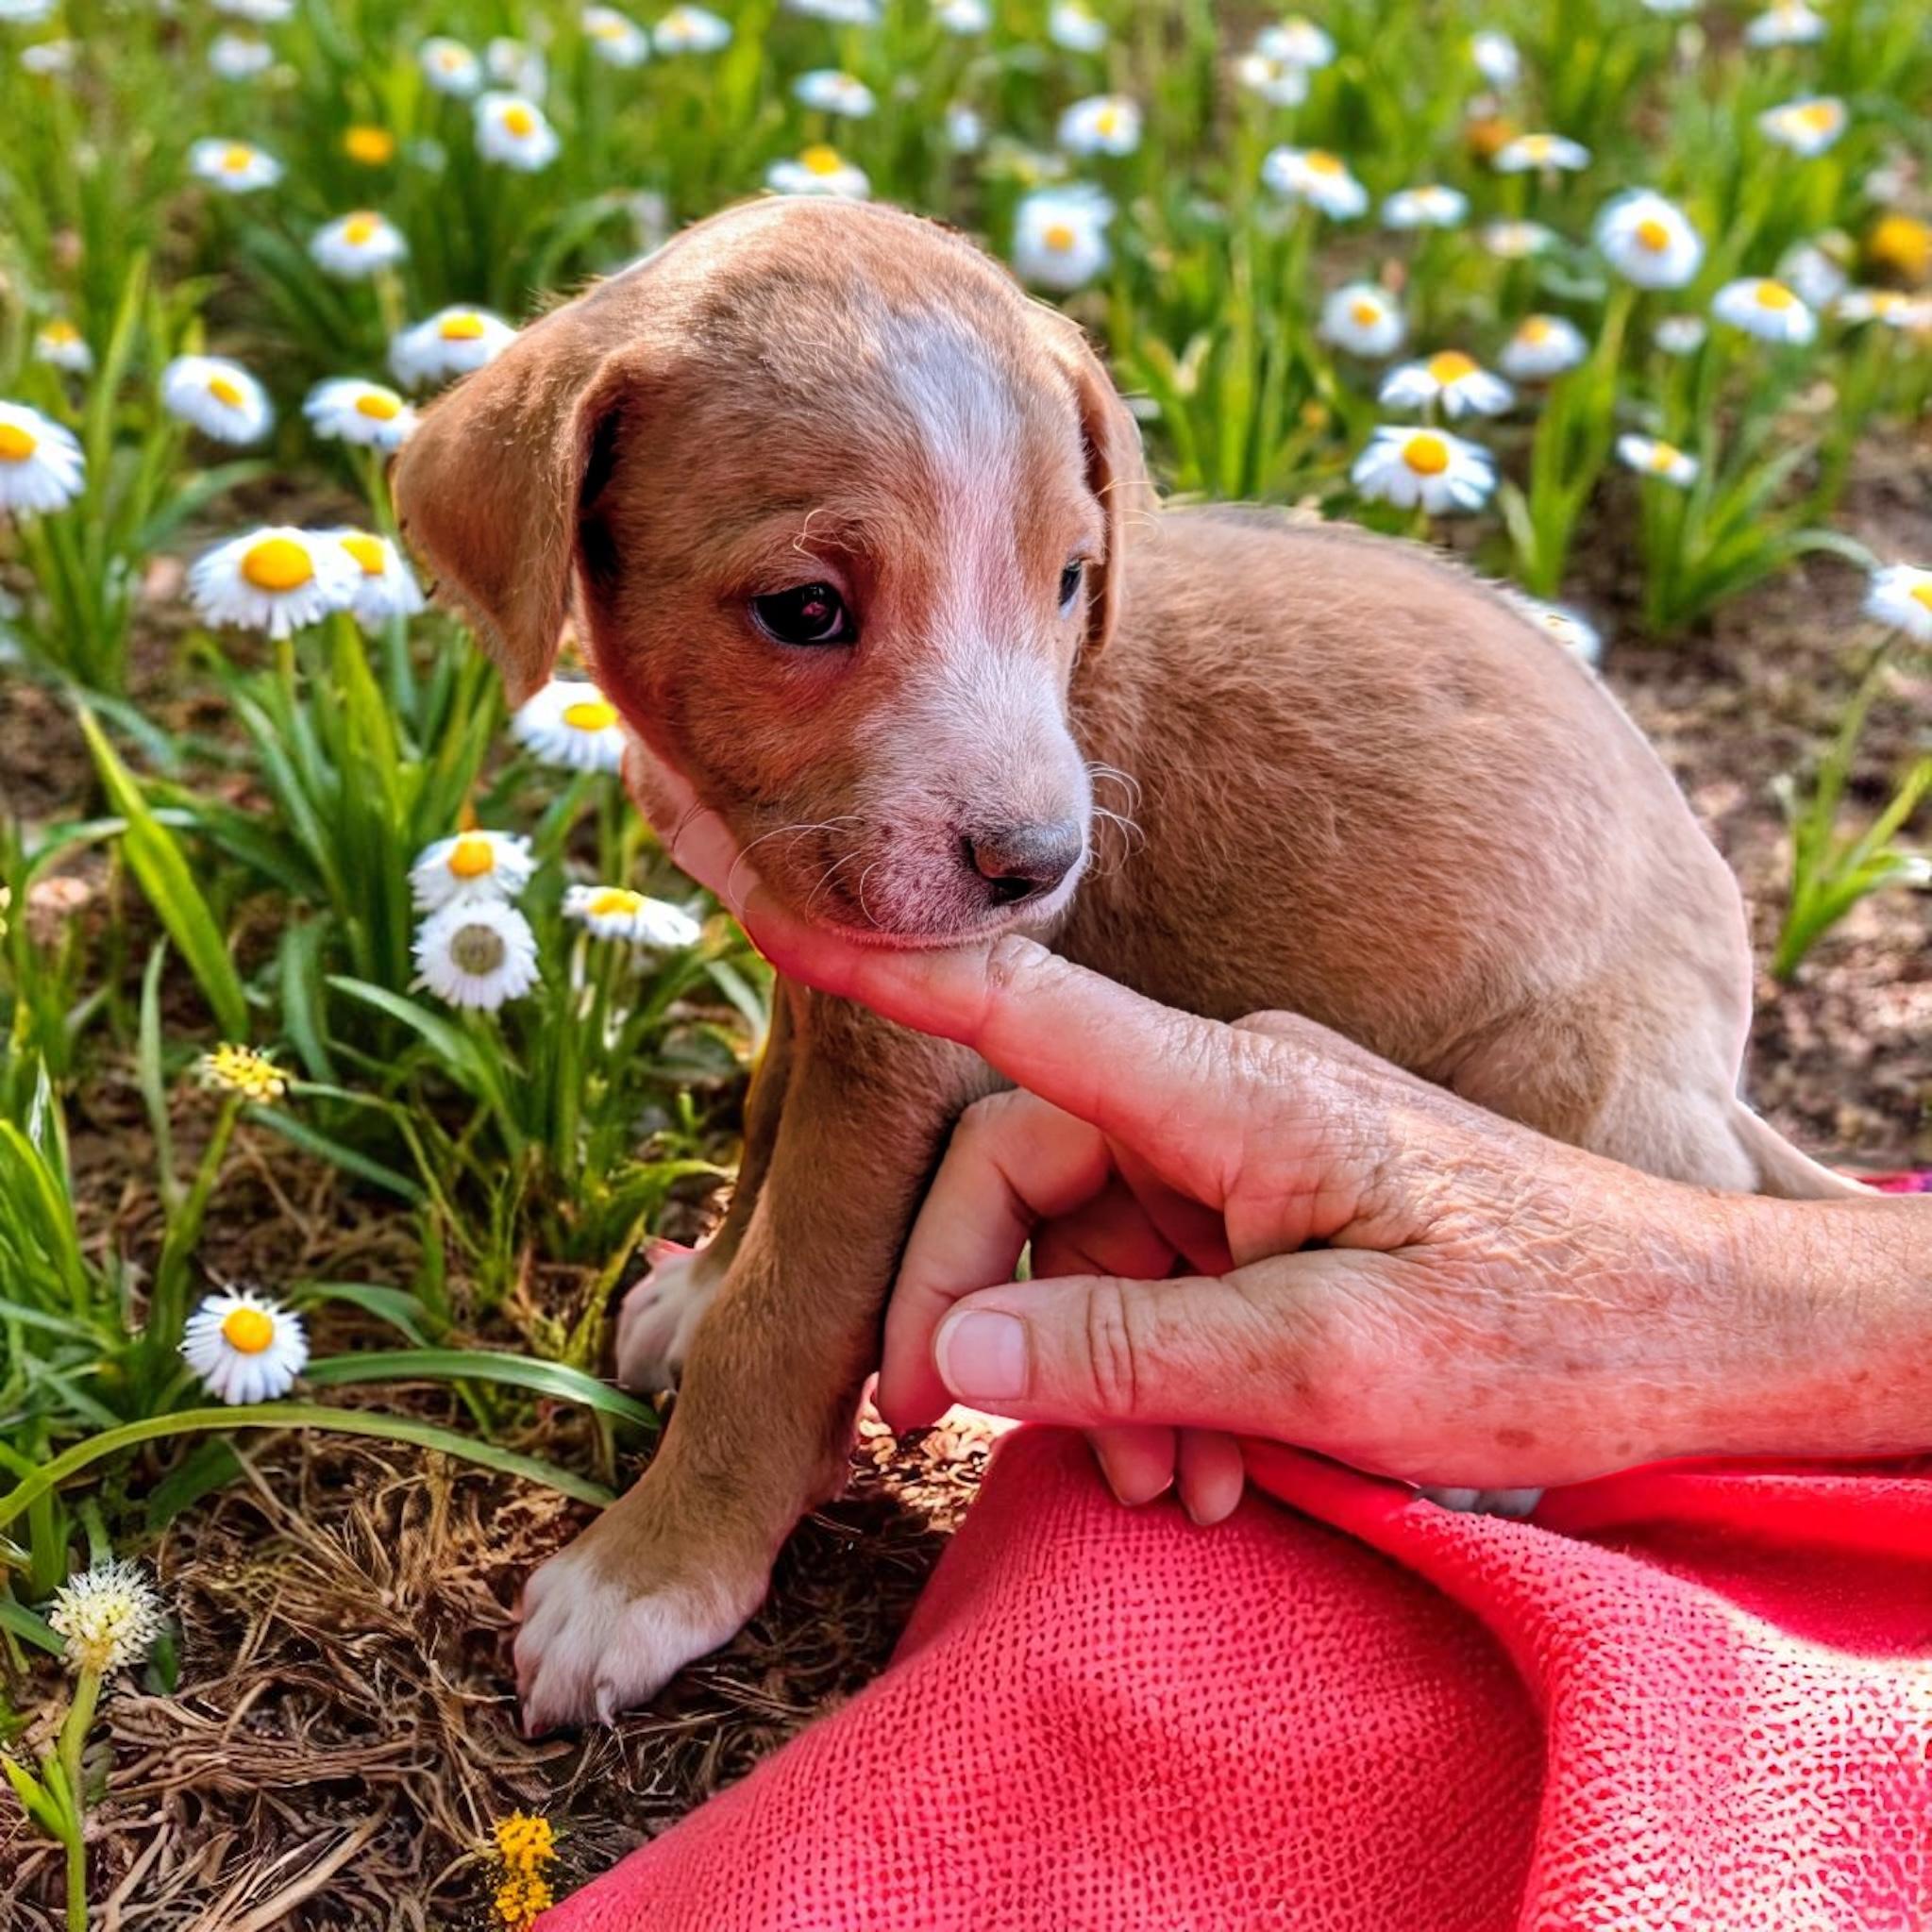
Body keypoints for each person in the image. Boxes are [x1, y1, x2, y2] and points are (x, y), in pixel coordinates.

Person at [542, 763, 1932, 1932]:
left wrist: (718, 1488)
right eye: (803, 611)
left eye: (1073, 586)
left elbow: (888, 1050)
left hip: (1573, 1044)